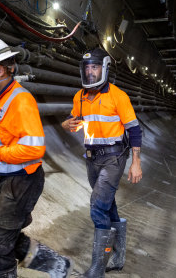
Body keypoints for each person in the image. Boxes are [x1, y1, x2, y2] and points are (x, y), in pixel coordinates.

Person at [0, 37, 70, 278]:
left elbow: (34, 149)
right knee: (3, 237)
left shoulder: (21, 100)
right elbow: (8, 131)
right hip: (10, 179)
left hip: (22, 181)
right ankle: (56, 265)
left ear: (0, 70)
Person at [61, 48, 143, 277]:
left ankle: (97, 268)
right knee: (109, 205)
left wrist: (136, 162)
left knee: (98, 206)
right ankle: (117, 258)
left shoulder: (118, 96)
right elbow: (73, 118)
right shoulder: (80, 96)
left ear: (104, 68)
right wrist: (67, 124)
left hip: (114, 157)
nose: (90, 72)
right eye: (87, 68)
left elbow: (134, 130)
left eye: (94, 67)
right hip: (92, 158)